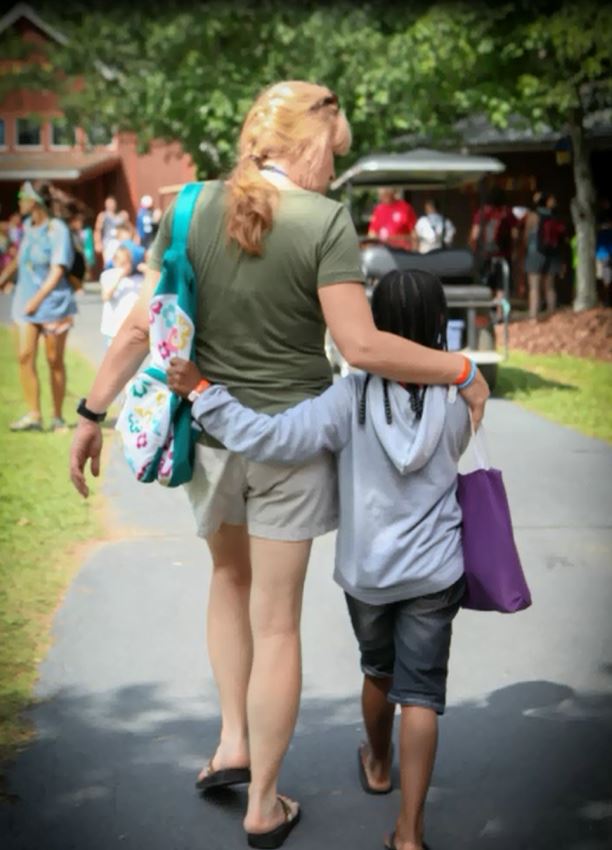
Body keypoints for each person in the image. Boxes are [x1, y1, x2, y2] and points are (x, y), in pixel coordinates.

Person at [69, 80, 489, 848]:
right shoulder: (325, 221)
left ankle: (232, 739)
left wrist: (91, 414)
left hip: (215, 440)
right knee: (277, 626)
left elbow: (141, 323)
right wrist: (456, 367)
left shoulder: (193, 204)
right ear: (307, 142)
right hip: (292, 447)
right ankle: (264, 801)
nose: (336, 167)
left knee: (226, 585)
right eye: (335, 150)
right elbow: (360, 348)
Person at [169, 269, 470, 850]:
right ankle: (409, 834)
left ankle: (376, 765)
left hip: (370, 574)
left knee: (379, 670)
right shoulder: (457, 397)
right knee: (424, 696)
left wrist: (207, 393)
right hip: (437, 570)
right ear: (438, 325)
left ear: (374, 326)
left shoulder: (349, 397)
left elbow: (274, 439)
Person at [0, 180, 76, 431]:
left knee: (54, 360)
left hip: (53, 304)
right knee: (24, 356)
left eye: (23, 196)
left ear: (35, 201)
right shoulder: (27, 227)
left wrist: (36, 300)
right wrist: (3, 278)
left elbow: (57, 270)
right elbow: (19, 260)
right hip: (27, 304)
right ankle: (34, 415)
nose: (19, 201)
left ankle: (57, 417)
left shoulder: (57, 229)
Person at [469, 186, 518, 309]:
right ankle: (500, 316)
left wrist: (474, 250)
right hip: (503, 256)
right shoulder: (507, 212)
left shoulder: (481, 213)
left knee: (487, 285)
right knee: (502, 287)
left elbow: (474, 235)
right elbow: (515, 235)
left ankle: (489, 313)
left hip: (484, 256)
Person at [523, 191, 567, 319]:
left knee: (534, 288)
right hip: (552, 255)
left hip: (535, 254)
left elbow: (526, 236)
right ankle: (552, 315)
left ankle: (533, 316)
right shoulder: (555, 217)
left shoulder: (532, 216)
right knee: (550, 287)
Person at [99, 246, 144, 348]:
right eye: (122, 263)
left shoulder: (137, 280)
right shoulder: (108, 275)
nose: (126, 267)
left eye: (128, 263)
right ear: (115, 261)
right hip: (112, 329)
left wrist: (146, 271)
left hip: (129, 330)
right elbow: (106, 296)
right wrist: (119, 276)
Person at [94, 195, 123, 260]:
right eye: (109, 203)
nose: (111, 205)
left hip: (119, 243)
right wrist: (97, 242)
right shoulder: (103, 216)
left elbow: (128, 229)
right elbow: (98, 230)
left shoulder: (120, 216)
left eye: (112, 203)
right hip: (107, 243)